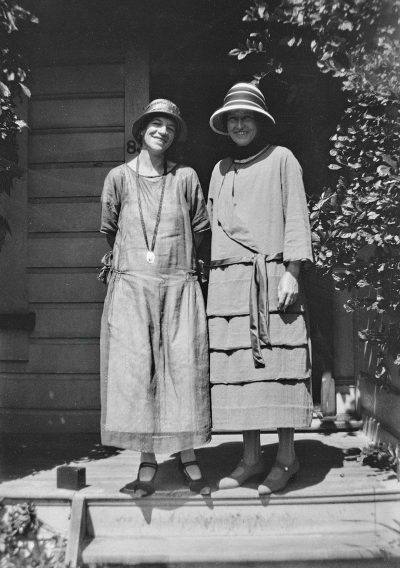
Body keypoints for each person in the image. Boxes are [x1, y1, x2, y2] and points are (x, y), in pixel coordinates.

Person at [100, 99, 211, 497]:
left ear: (175, 135)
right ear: (141, 131)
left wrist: (172, 265)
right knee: (138, 372)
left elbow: (199, 230)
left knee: (184, 367)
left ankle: (187, 456)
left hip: (179, 286)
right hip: (132, 290)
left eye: (169, 126)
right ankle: (147, 460)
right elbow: (112, 231)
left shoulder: (186, 178)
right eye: (155, 124)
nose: (162, 131)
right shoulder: (117, 178)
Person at [207, 83, 313, 495]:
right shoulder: (220, 169)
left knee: (281, 368)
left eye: (245, 117)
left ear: (260, 122)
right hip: (230, 282)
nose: (238, 124)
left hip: (272, 276)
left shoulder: (283, 159)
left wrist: (292, 272)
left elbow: (297, 218)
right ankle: (250, 459)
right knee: (241, 372)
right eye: (232, 118)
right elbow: (212, 227)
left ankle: (286, 458)